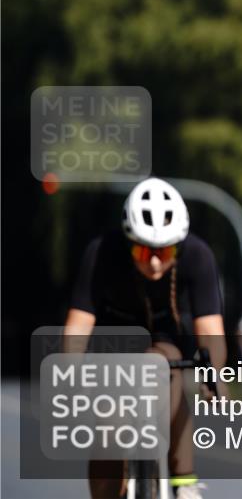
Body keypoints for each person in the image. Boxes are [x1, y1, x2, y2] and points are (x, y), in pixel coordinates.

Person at [63, 177, 226, 499]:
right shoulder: (101, 253)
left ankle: (183, 480)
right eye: (142, 249)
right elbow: (78, 325)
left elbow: (210, 329)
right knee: (109, 424)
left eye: (165, 251)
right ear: (127, 241)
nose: (153, 261)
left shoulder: (198, 255)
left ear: (178, 245)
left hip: (167, 340)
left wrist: (215, 376)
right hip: (114, 342)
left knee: (167, 366)